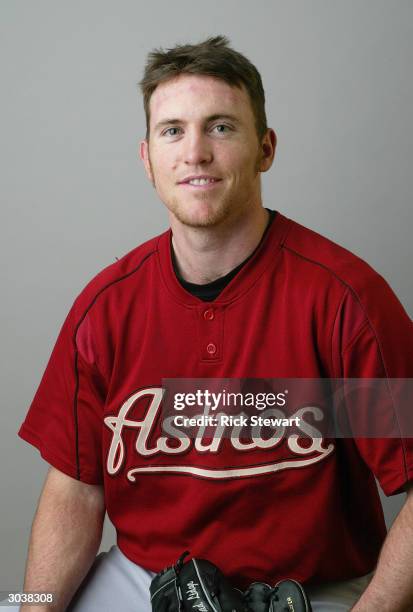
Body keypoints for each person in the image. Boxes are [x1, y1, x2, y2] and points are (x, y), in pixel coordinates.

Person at [17, 35, 413, 612]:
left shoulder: (345, 300)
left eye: (221, 127)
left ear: (266, 147)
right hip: (146, 579)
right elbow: (76, 488)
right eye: (172, 130)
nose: (195, 152)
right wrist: (32, 609)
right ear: (147, 157)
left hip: (315, 590)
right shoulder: (104, 309)